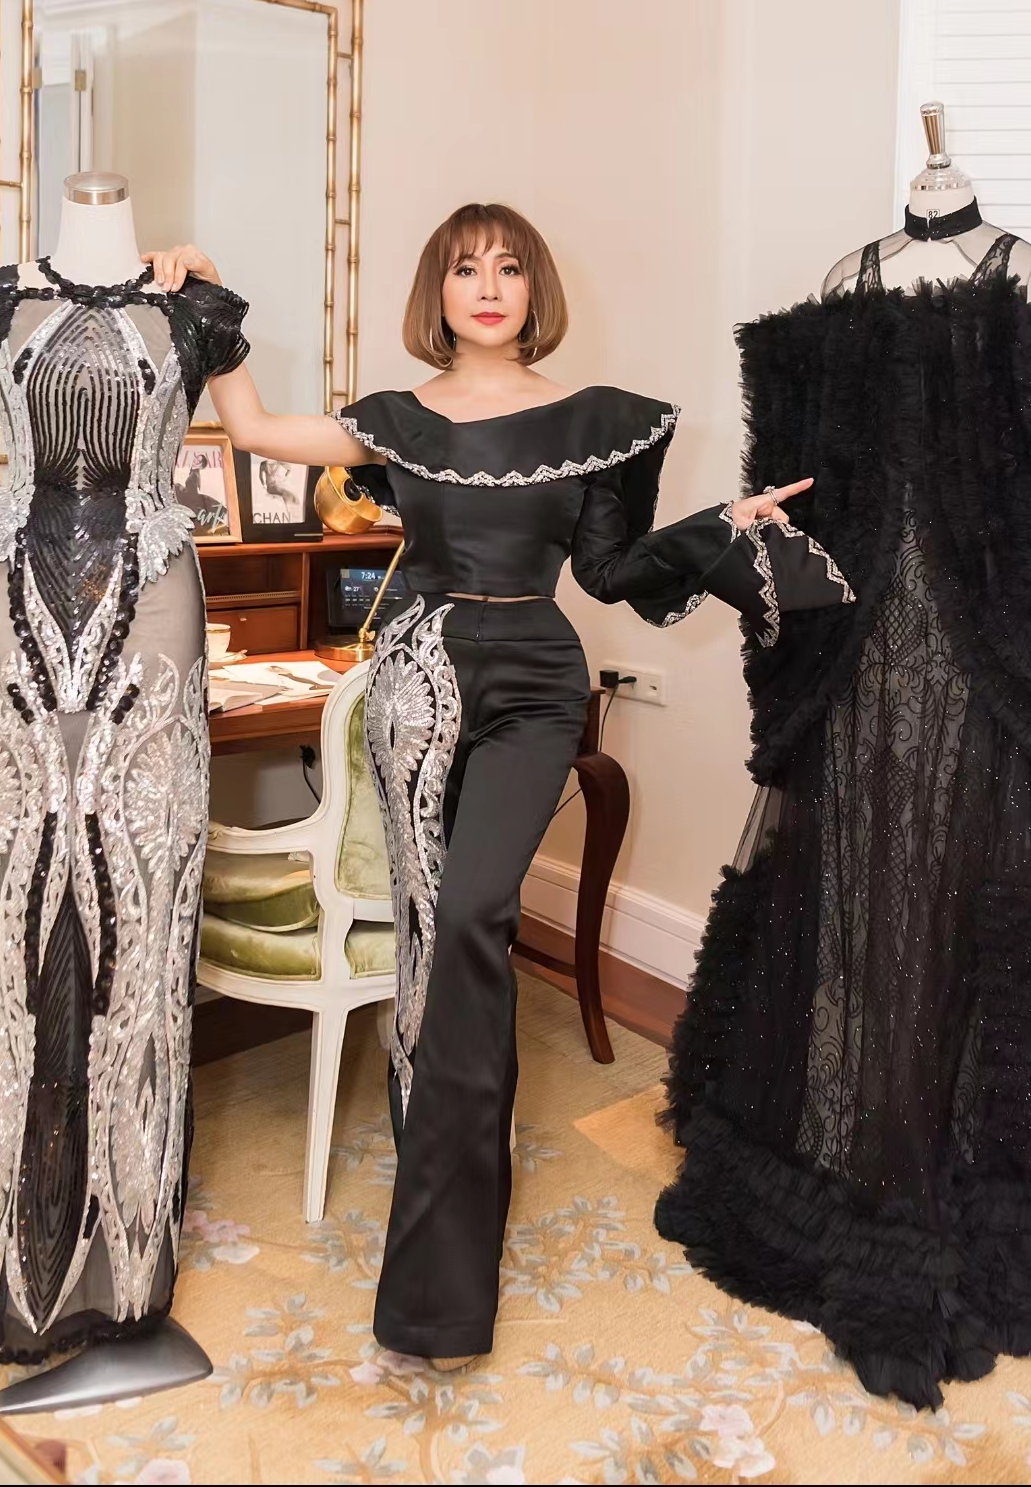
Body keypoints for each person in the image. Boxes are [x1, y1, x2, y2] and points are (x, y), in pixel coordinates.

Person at [144, 202, 853, 1370]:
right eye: (466, 266)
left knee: (474, 917)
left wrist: (724, 528)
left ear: (534, 291)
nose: (487, 284)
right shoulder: (396, 418)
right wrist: (210, 293)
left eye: (509, 266)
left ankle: (442, 1248)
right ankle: (441, 1248)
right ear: (439, 288)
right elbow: (257, 427)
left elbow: (612, 569)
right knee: (432, 936)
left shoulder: (600, 423)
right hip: (419, 678)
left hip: (534, 678)